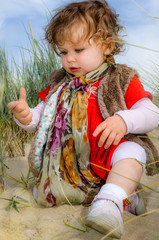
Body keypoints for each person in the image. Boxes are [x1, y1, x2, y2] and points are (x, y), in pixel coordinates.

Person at [8, 0, 159, 238]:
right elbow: (40, 119)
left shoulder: (120, 78)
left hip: (108, 154)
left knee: (132, 152)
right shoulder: (59, 83)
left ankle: (109, 202)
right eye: (63, 51)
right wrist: (25, 116)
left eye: (78, 50)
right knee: (46, 193)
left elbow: (151, 112)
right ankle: (124, 198)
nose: (70, 59)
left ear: (107, 46)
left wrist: (123, 120)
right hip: (71, 164)